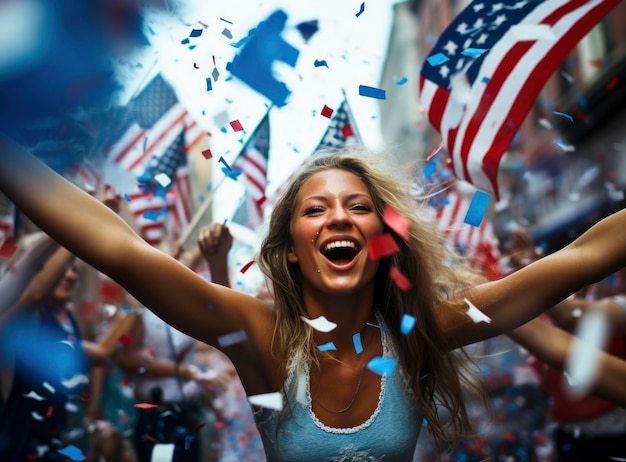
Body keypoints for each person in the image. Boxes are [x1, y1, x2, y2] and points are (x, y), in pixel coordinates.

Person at [2, 140, 626, 459]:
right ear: (292, 247)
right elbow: (118, 248)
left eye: (359, 208)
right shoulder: (255, 334)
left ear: (384, 239)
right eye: (316, 209)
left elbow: (581, 258)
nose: (340, 220)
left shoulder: (422, 331)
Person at [0, 234, 136, 461]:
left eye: (74, 269)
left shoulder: (66, 320)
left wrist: (135, 309)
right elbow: (36, 293)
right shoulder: (22, 317)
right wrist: (75, 230)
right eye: (61, 267)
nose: (71, 276)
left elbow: (104, 353)